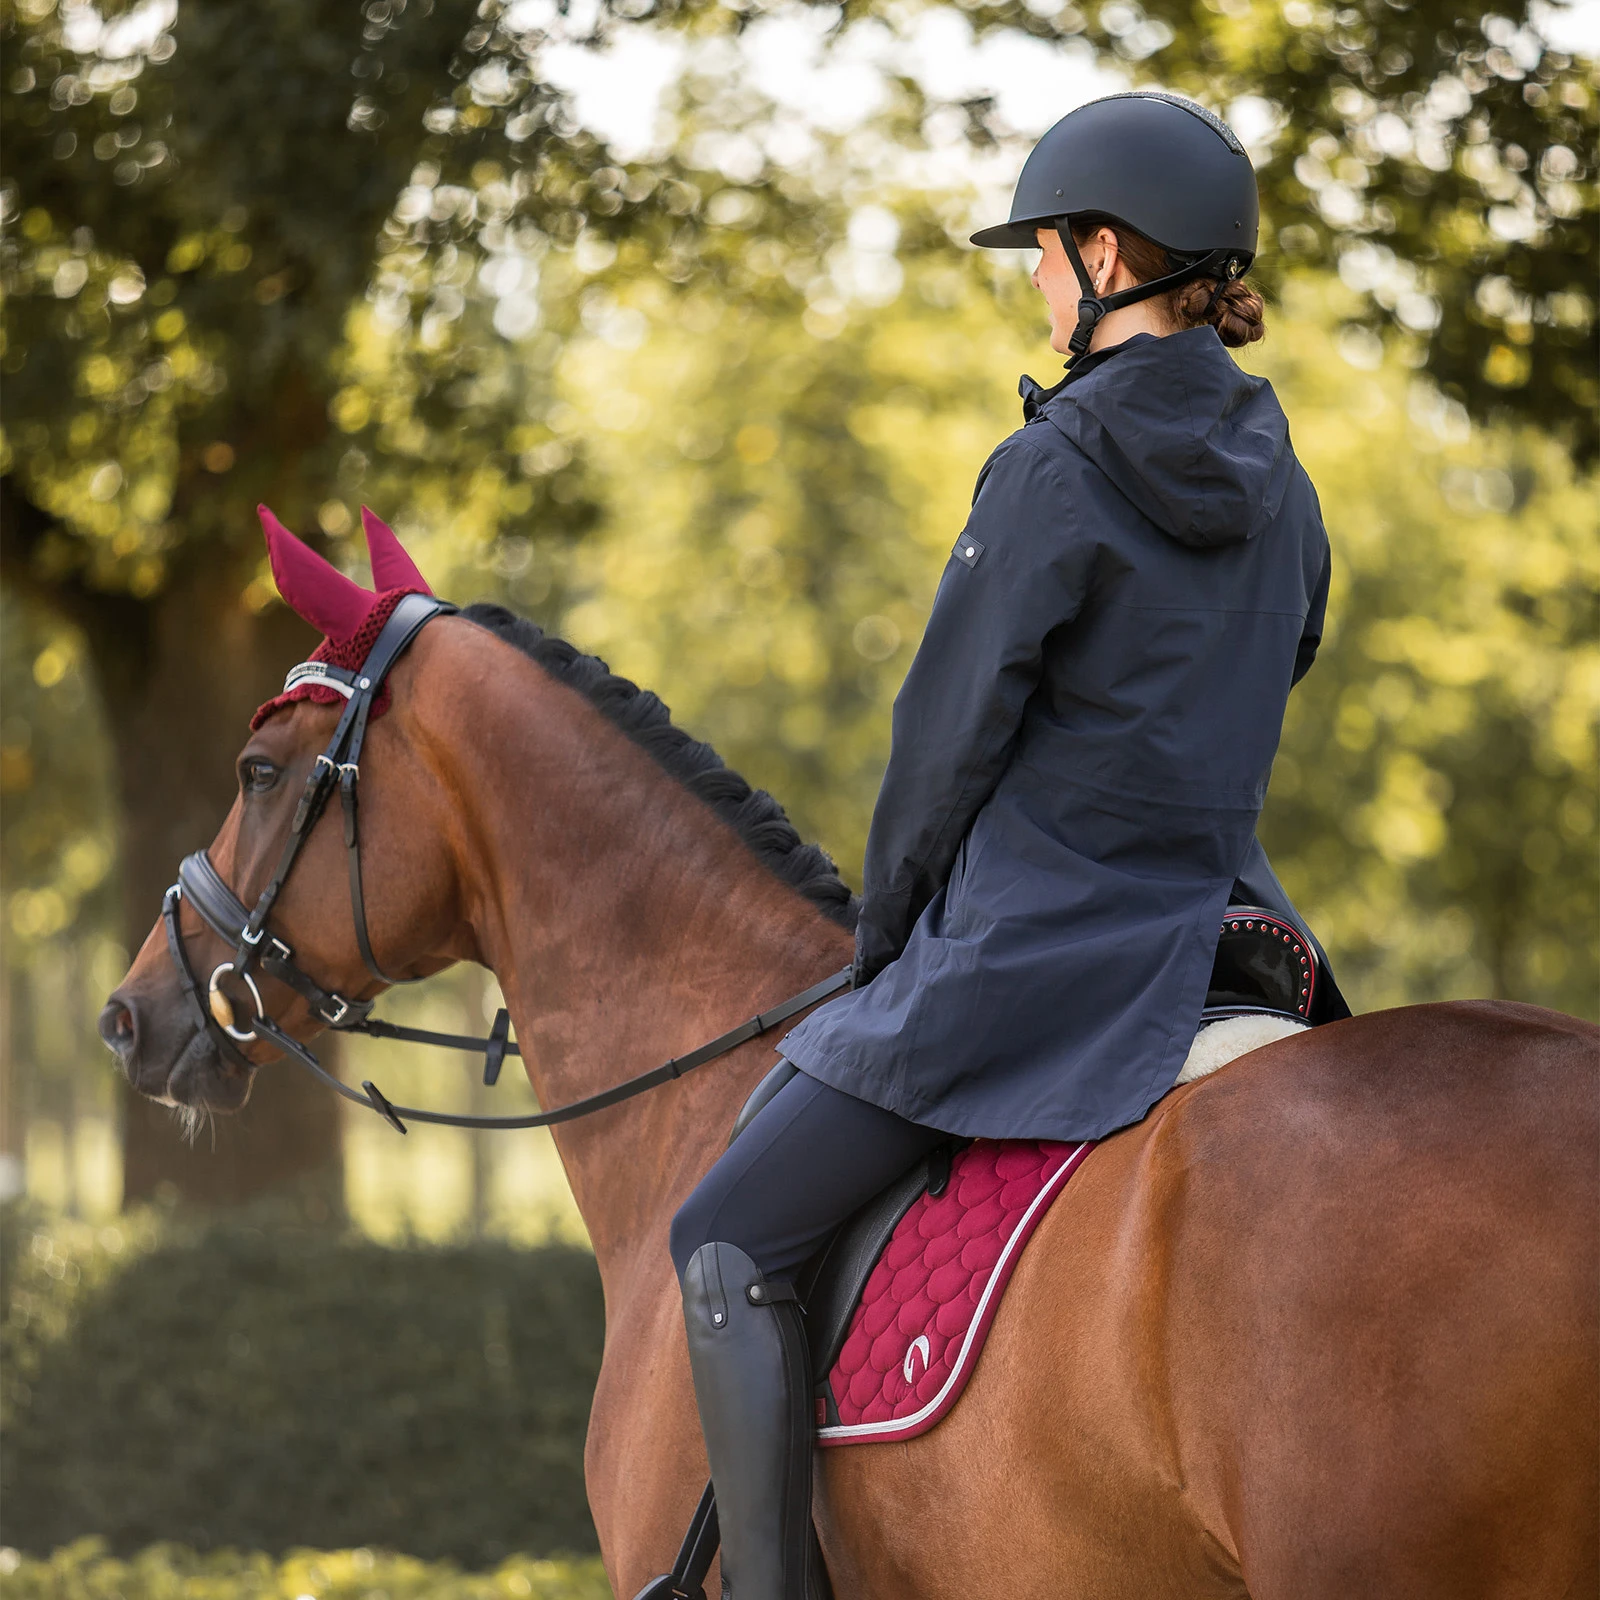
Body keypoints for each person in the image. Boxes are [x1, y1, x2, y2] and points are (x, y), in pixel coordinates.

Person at [664, 90, 1349, 1600]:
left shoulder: (1050, 468)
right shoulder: (1289, 489)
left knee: (725, 1231)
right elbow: (1282, 660)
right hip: (1233, 938)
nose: (1036, 278)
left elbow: (947, 741)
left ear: (1105, 256)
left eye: (1043, 250)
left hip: (1031, 952)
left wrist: (886, 941)